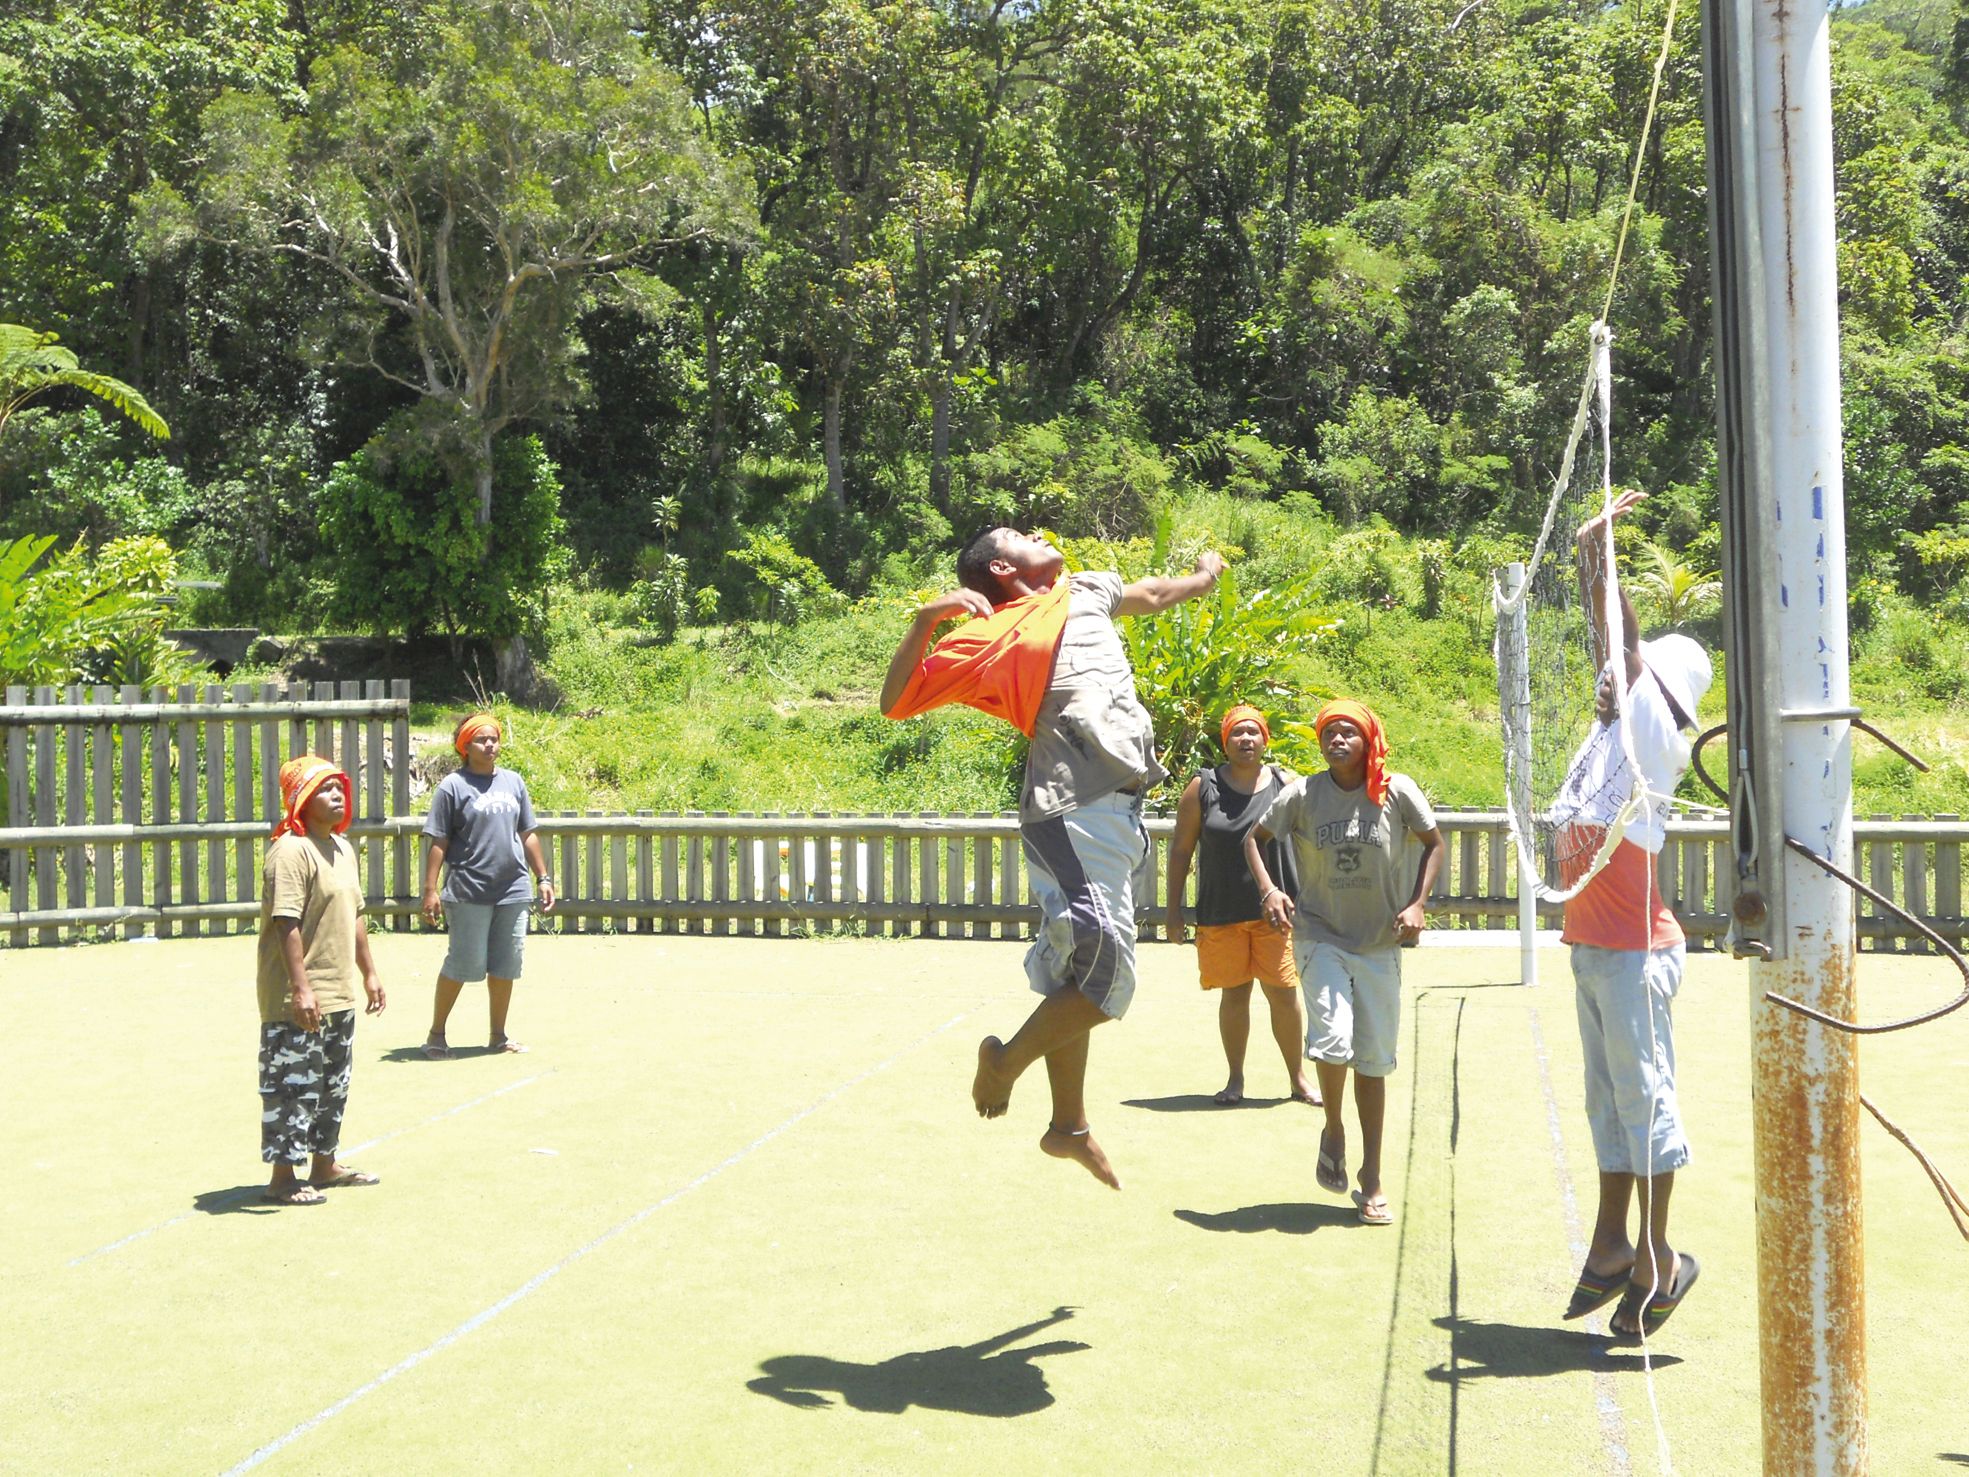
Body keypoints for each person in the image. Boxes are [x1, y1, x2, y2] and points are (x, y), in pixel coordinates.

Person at [881, 527, 1226, 1189]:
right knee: (1107, 979)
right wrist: (927, 619)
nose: (1040, 531)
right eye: (1020, 533)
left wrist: (1200, 580)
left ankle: (1067, 1125)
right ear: (1003, 566)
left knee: (1078, 970)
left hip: (1117, 808)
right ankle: (1002, 1063)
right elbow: (895, 701)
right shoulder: (995, 630)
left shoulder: (1085, 589)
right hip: (1069, 808)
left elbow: (1151, 593)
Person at [1554, 489, 1711, 1337]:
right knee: (1609, 1107)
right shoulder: (1608, 731)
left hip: (1632, 951)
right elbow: (1607, 643)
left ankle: (1656, 1256)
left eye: (1631, 668)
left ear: (1661, 689)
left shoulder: (1656, 735)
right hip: (1594, 948)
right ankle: (1613, 1243)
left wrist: (1599, 556)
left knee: (1644, 1107)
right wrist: (1589, 556)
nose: (1609, 672)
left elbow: (1618, 635)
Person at [1244, 700, 1442, 1226]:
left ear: (1368, 739)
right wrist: (1271, 892)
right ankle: (1334, 1127)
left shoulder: (1396, 790)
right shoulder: (1302, 794)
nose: (1336, 740)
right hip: (1319, 935)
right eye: (1328, 732)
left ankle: (1372, 1178)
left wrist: (1418, 903)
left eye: (1347, 732)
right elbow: (1254, 840)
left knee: (1373, 1062)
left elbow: (1434, 843)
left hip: (1379, 942)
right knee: (1332, 1041)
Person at [1165, 704, 1318, 1108]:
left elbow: (1315, 839)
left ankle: (1299, 1079)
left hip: (1277, 915)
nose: (1245, 740)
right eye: (1237, 733)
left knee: (1284, 995)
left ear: (1265, 739)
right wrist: (1173, 910)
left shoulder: (1287, 784)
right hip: (1221, 911)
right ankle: (1235, 1080)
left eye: (1253, 733)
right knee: (1234, 996)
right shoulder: (1204, 787)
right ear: (1225, 741)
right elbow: (1181, 851)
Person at [255, 756, 386, 1206]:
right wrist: (301, 987)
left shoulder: (342, 848)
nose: (337, 795)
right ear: (303, 800)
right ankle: (283, 1178)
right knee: (292, 1085)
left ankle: (324, 1164)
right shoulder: (291, 851)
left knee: (333, 1082)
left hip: (338, 991)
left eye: (340, 787)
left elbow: (356, 916)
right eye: (326, 789)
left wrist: (369, 972)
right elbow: (285, 921)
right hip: (298, 996)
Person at [420, 712, 556, 1058]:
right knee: (464, 963)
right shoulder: (453, 786)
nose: (490, 744)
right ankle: (436, 1034)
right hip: (468, 891)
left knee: (505, 964)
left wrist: (543, 877)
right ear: (465, 746)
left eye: (494, 738)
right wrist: (430, 889)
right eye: (481, 739)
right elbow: (439, 840)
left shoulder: (513, 782)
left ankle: (498, 1035)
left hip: (512, 889)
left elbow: (528, 833)